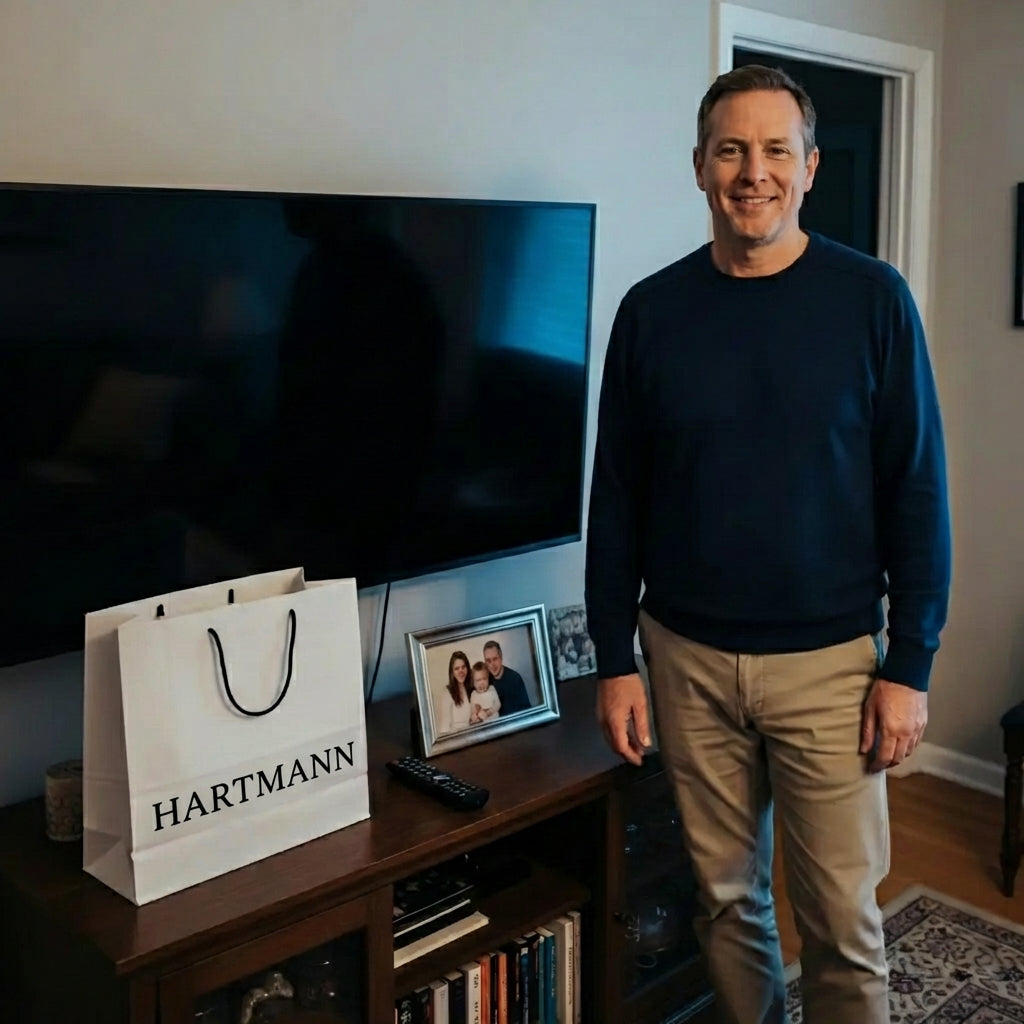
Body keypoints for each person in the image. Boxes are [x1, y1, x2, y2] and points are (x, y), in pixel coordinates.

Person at [584, 64, 951, 1024]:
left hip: (830, 669)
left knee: (842, 923)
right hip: (685, 661)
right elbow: (616, 496)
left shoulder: (873, 300)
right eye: (732, 151)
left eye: (776, 150)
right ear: (699, 166)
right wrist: (614, 658)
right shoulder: (651, 312)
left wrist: (910, 663)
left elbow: (918, 490)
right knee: (723, 903)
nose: (755, 172)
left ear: (810, 167)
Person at [482, 640, 532, 715]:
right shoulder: (485, 680)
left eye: (495, 659)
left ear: (501, 657)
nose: (492, 665)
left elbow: (526, 711)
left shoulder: (515, 679)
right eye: (488, 661)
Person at [437, 650, 473, 735]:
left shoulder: (473, 688)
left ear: (467, 668)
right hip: (456, 737)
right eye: (457, 668)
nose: (461, 671)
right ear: (452, 672)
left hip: (472, 734)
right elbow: (444, 726)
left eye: (463, 667)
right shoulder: (447, 693)